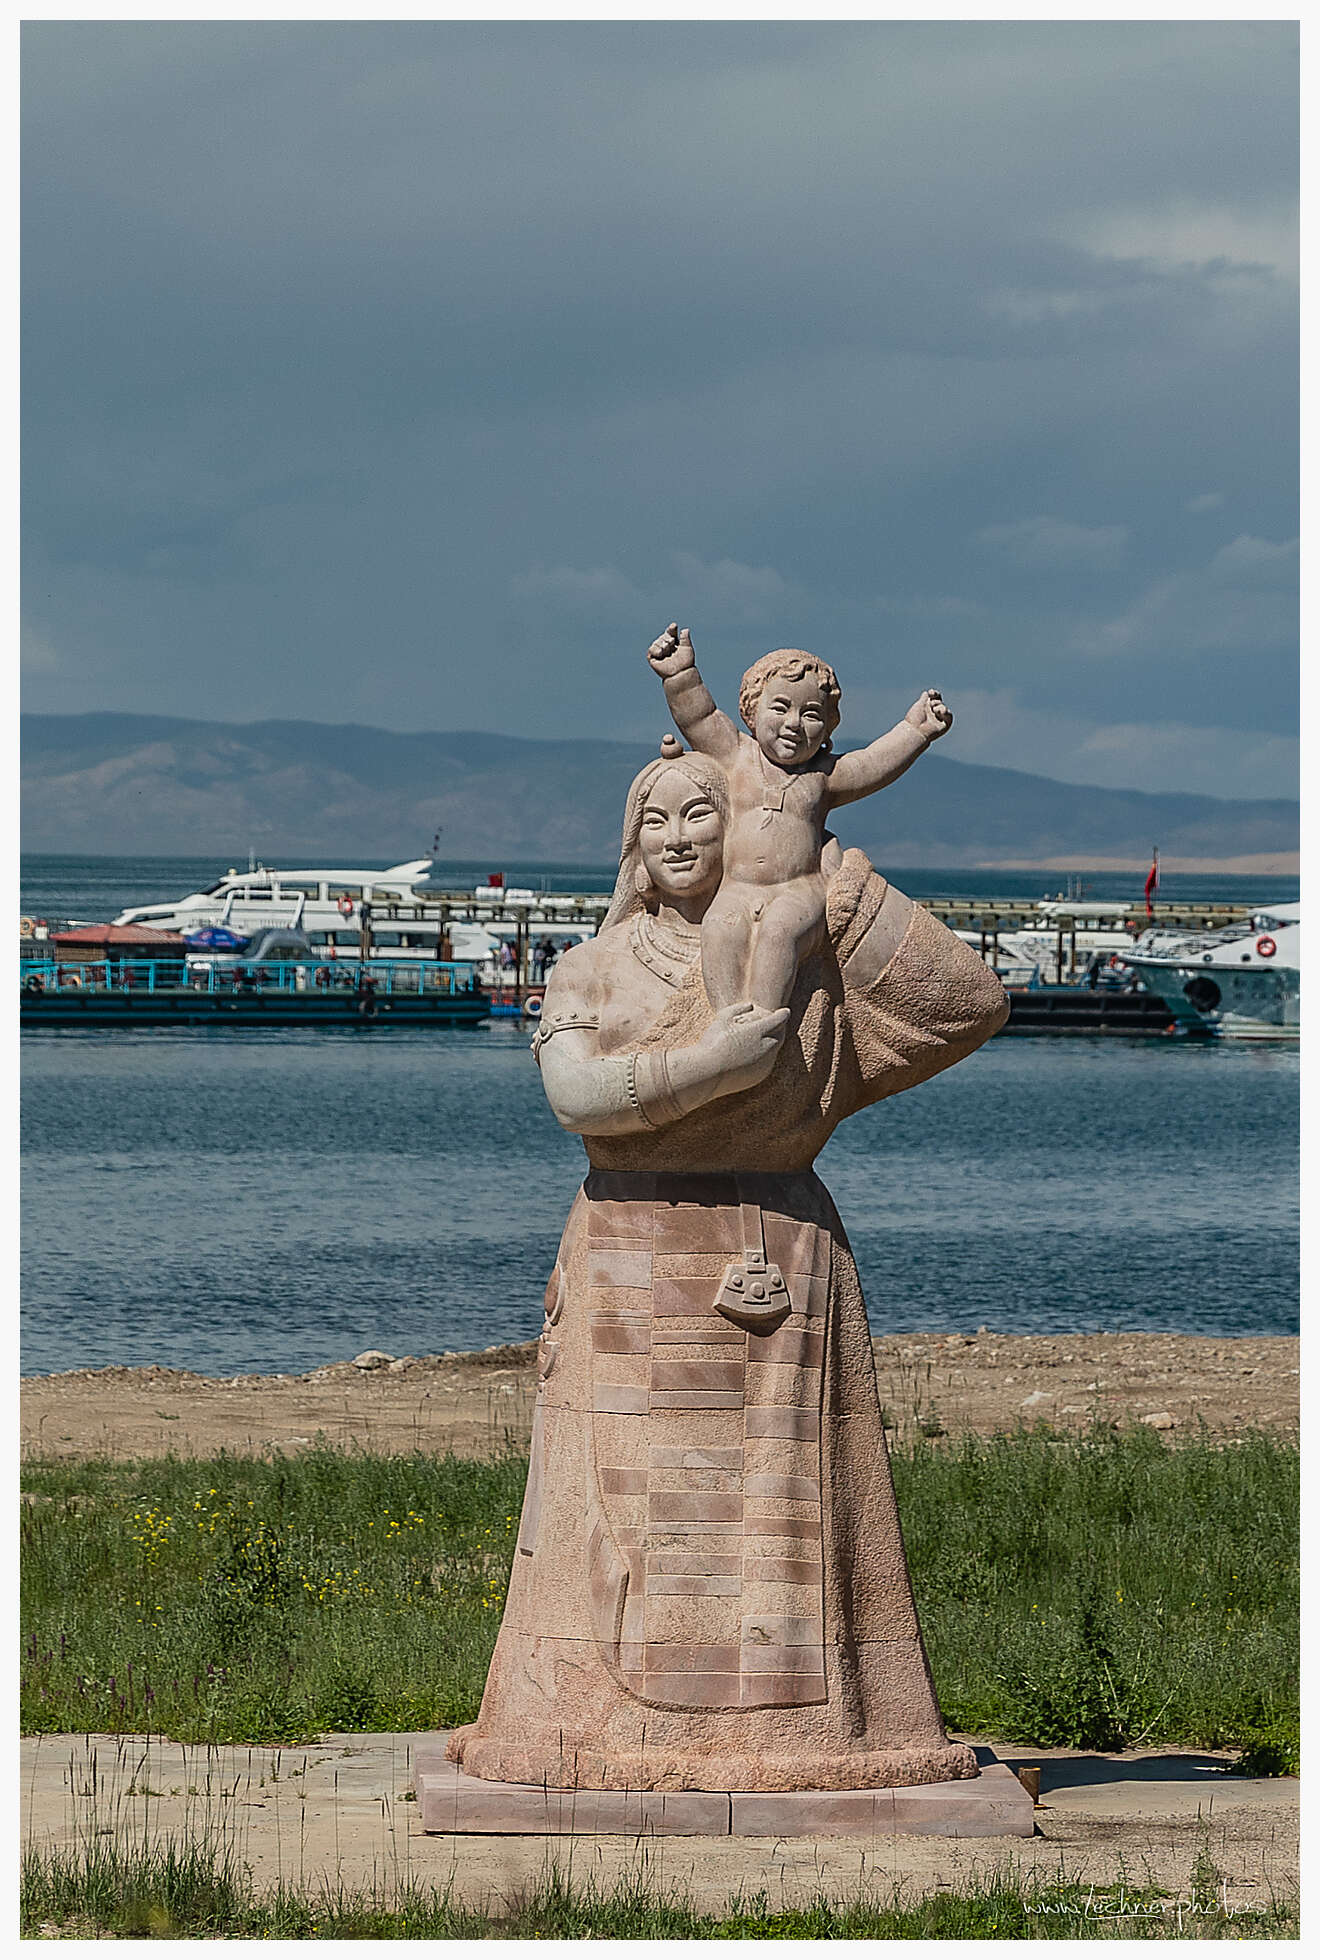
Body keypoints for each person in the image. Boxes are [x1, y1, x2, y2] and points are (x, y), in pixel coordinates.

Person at [446, 744, 1009, 1797]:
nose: (676, 837)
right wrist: (715, 1065)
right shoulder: (594, 965)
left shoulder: (803, 951)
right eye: (654, 819)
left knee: (777, 1524)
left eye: (702, 813)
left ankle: (810, 1733)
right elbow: (577, 1096)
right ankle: (598, 1724)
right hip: (626, 1255)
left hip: (775, 1255)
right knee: (618, 1522)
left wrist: (830, 872)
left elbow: (969, 1001)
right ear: (630, 840)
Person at [646, 624, 951, 1020]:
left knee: (780, 932)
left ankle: (766, 1020)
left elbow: (874, 762)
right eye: (780, 707)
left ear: (826, 729)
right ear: (752, 711)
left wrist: (916, 731)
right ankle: (727, 1025)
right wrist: (679, 674)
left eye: (810, 714)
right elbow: (699, 715)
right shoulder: (735, 755)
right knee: (721, 928)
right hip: (737, 888)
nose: (793, 723)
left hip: (798, 890)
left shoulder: (823, 777)